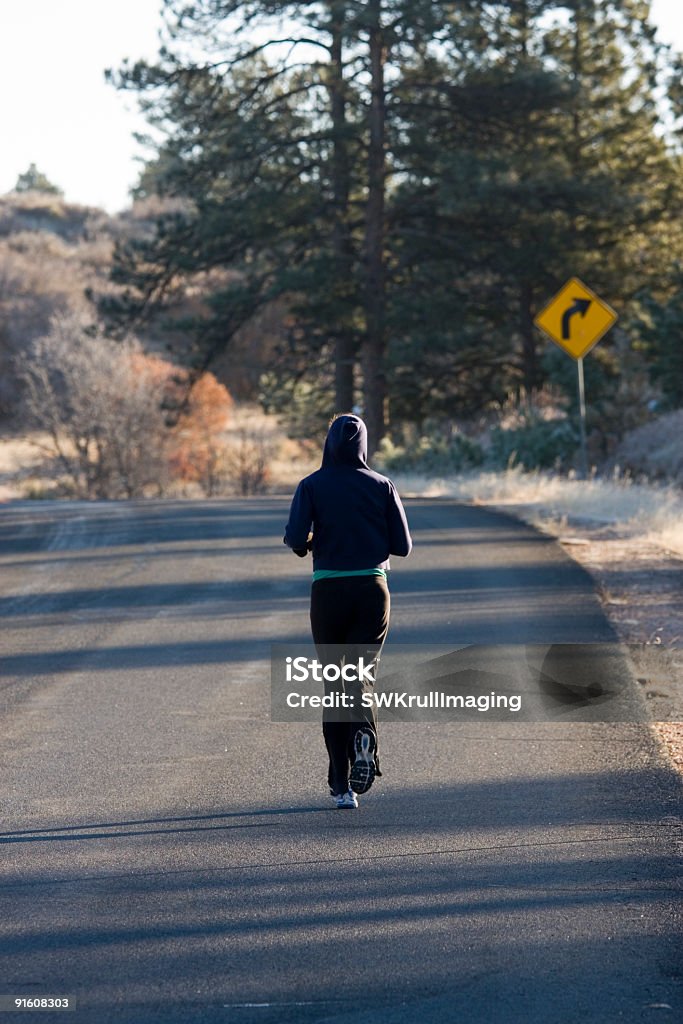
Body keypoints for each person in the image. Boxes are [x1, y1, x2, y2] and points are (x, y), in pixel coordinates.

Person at [284, 413, 412, 809]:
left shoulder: (311, 485)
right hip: (372, 589)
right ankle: (365, 740)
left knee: (335, 682)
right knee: (361, 676)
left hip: (328, 591)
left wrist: (309, 543)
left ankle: (342, 786)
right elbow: (403, 546)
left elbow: (293, 537)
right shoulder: (382, 485)